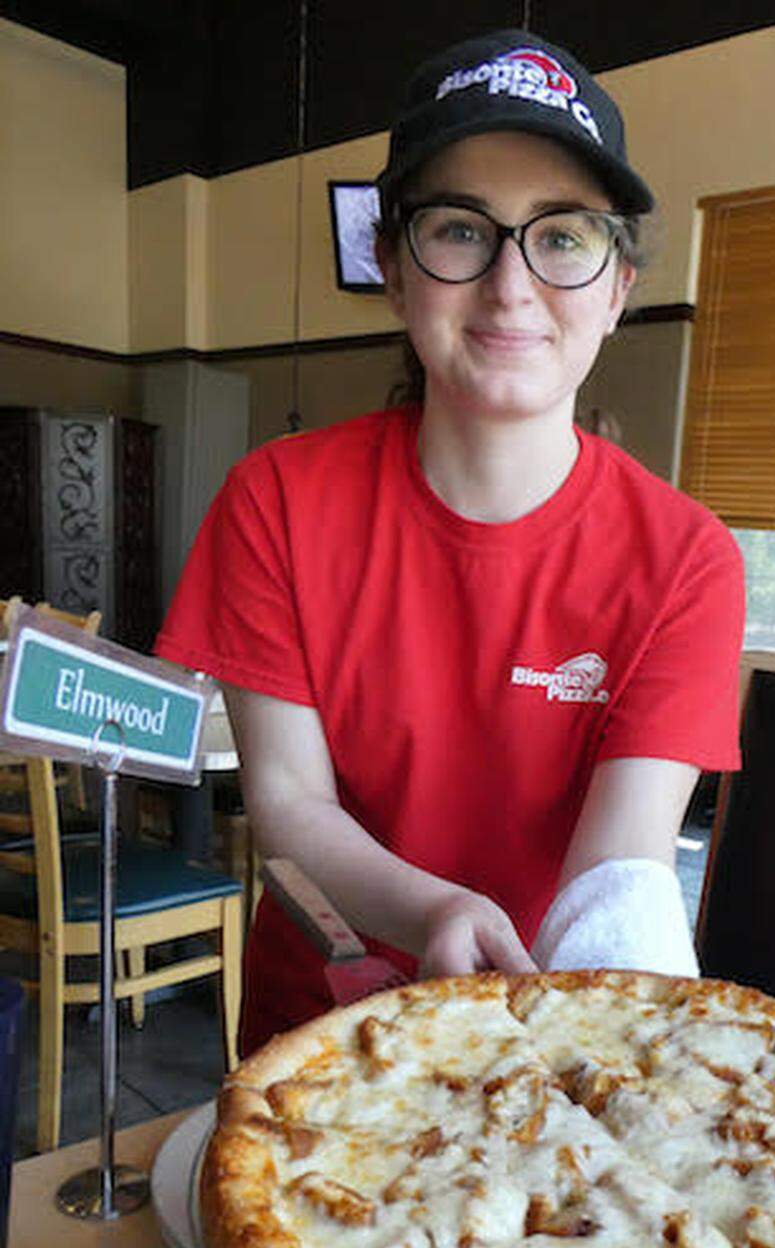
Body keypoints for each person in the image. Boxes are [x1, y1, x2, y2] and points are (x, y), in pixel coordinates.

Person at [156, 29, 745, 1056]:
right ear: (392, 267)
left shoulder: (687, 559)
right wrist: (433, 909)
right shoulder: (276, 499)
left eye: (562, 236)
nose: (512, 284)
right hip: (323, 1044)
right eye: (462, 230)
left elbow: (621, 874)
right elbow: (289, 803)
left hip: (555, 1049)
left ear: (617, 287)